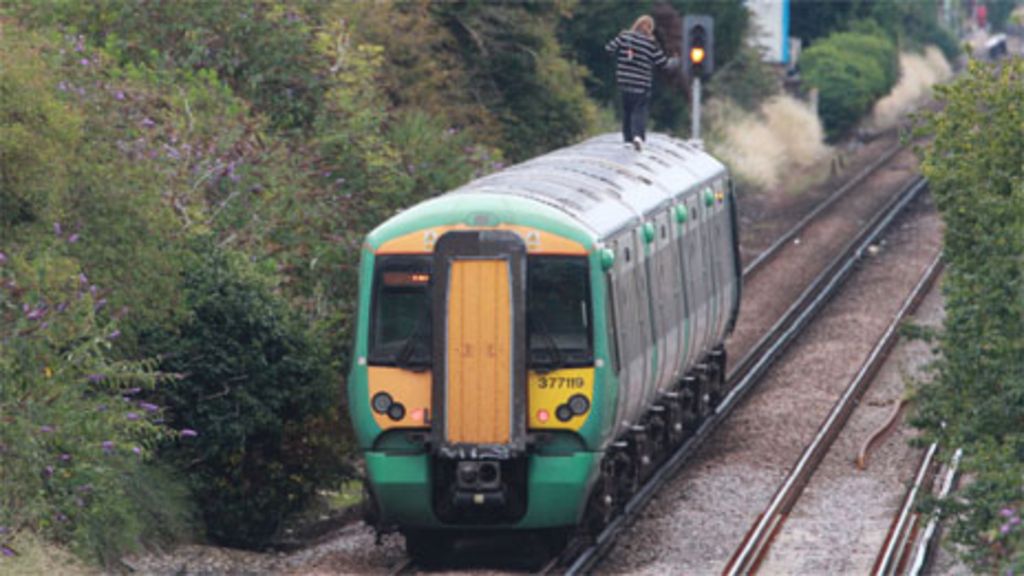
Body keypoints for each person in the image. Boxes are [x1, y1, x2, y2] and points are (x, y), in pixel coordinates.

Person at [605, 15, 678, 151]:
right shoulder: (650, 44)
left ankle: (627, 139)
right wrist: (675, 61)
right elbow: (663, 64)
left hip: (624, 81)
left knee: (627, 111)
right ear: (649, 29)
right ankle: (637, 136)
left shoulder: (624, 37)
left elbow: (609, 49)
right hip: (641, 84)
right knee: (639, 111)